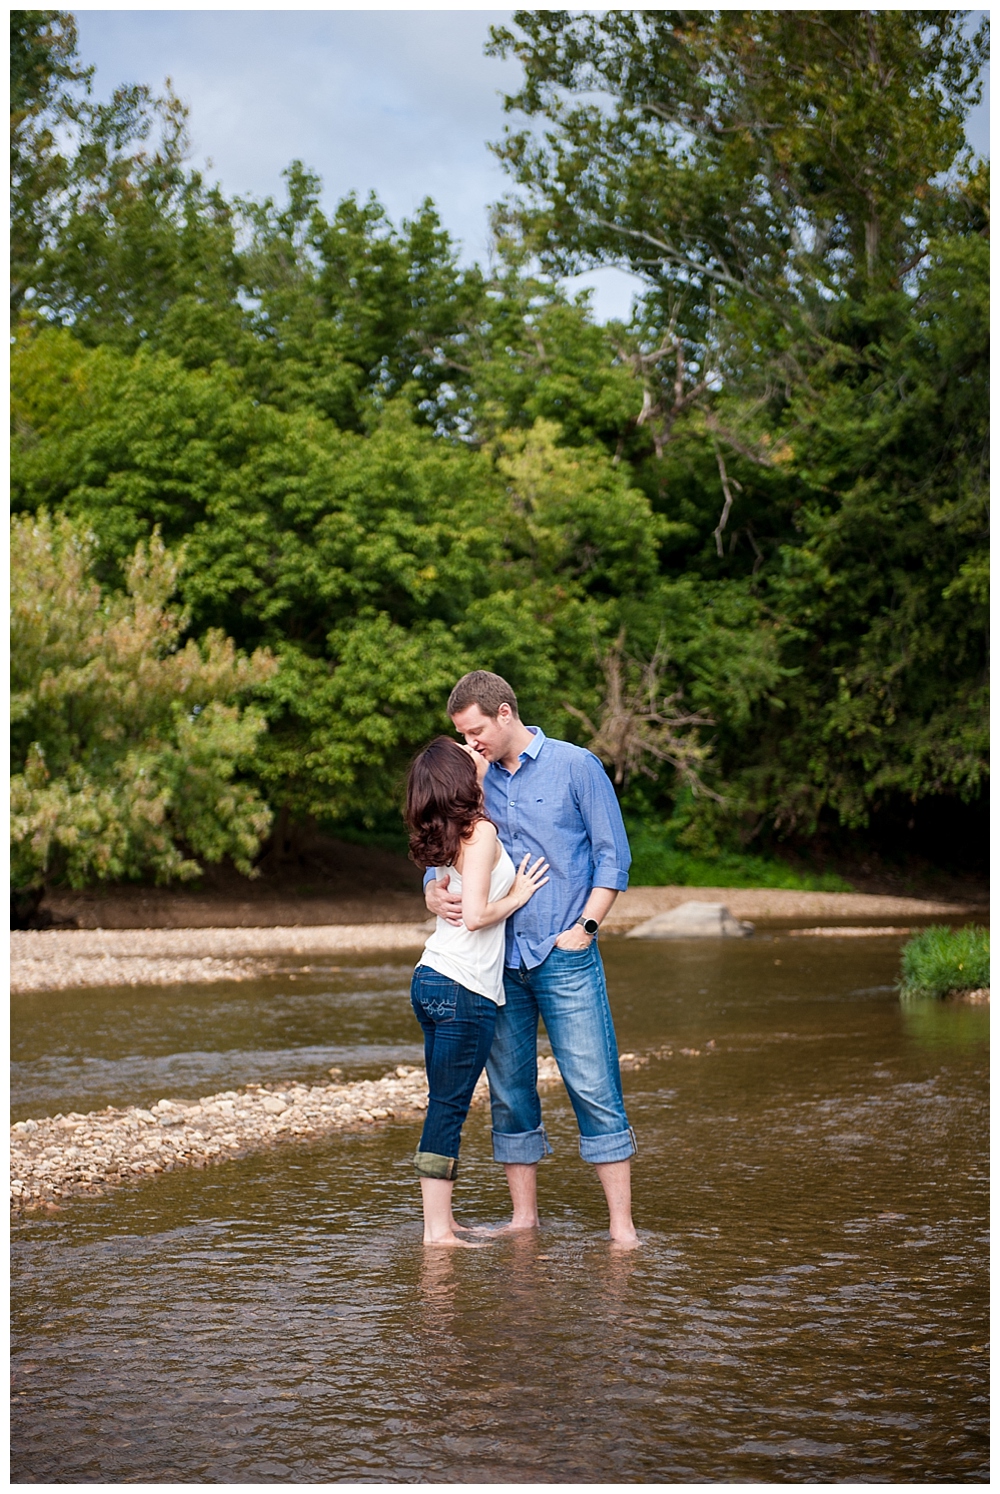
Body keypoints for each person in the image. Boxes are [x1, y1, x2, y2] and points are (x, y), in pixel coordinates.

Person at [424, 670, 639, 1248]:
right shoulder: (472, 777)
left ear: (504, 713)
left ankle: (623, 1230)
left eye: (475, 733)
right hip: (496, 962)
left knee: (592, 1083)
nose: (471, 745)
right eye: (462, 736)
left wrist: (586, 929)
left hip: (564, 951)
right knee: (510, 1089)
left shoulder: (576, 766)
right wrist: (430, 888)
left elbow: (611, 858)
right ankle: (525, 1220)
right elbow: (444, 843)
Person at [405, 735, 549, 1247]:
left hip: (430, 979)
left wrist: (433, 893)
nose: (477, 752)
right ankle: (436, 1231)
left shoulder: (445, 835)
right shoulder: (480, 831)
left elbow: (447, 893)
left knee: (443, 1102)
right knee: (448, 1107)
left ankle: (442, 1221)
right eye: (466, 754)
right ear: (457, 780)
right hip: (464, 988)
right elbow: (476, 916)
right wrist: (519, 894)